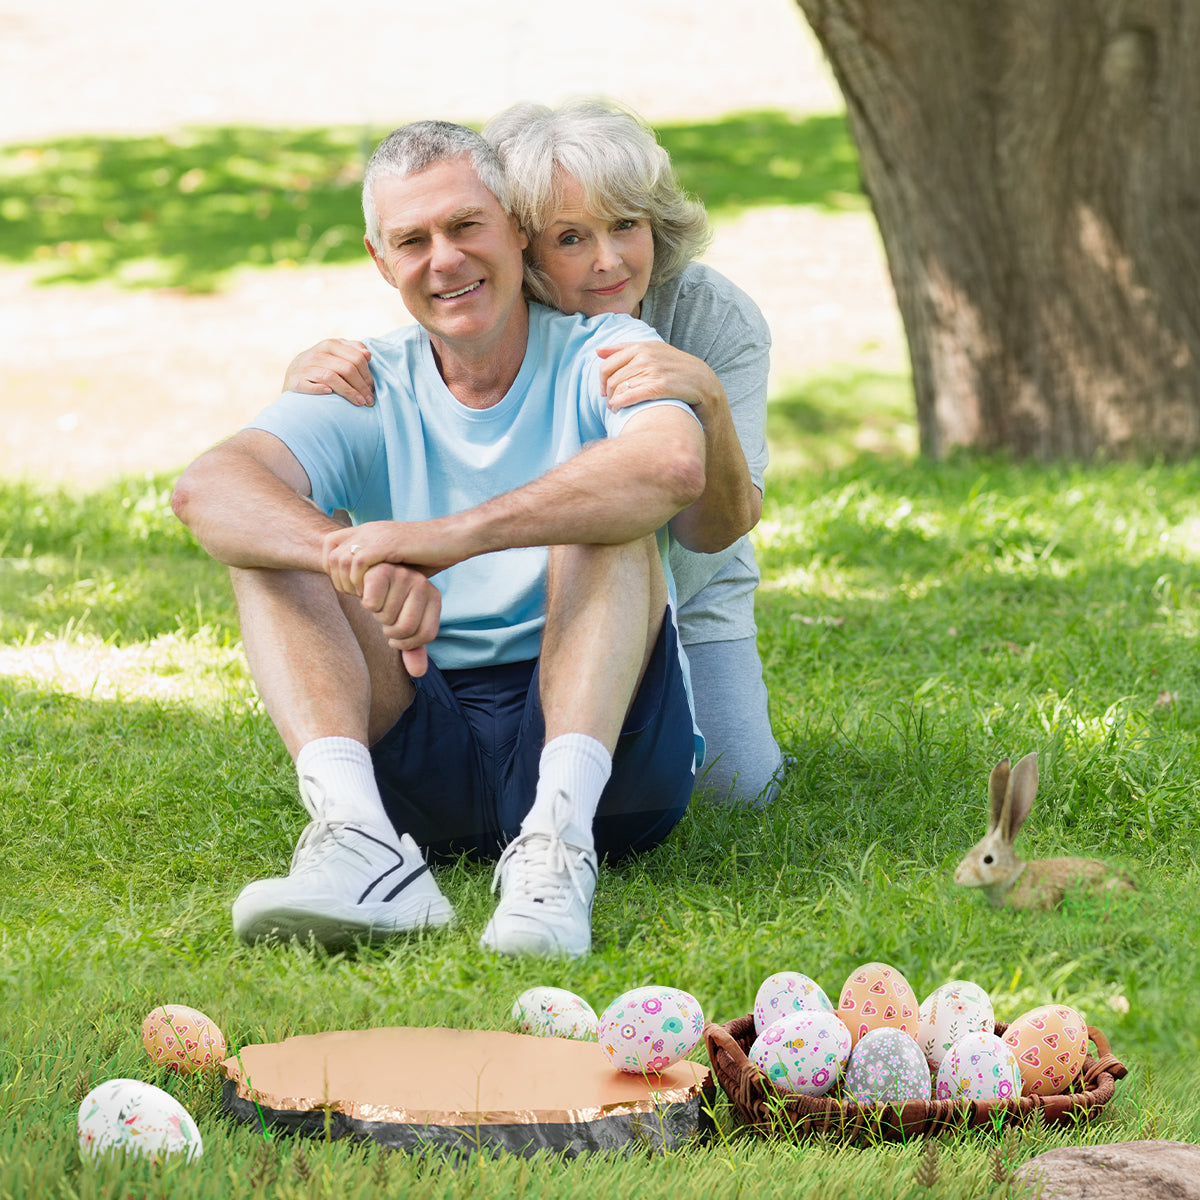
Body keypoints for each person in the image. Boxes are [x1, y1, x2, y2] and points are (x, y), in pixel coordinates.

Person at [171, 119, 729, 960]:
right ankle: (359, 841)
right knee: (273, 549)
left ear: (515, 229)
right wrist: (352, 555)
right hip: (420, 739)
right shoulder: (364, 380)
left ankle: (556, 846)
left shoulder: (606, 345)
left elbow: (672, 466)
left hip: (607, 756)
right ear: (380, 259)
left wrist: (448, 539)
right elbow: (207, 487)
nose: (445, 259)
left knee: (603, 511)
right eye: (413, 240)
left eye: (466, 226)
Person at [285, 100, 784, 804]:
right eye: (571, 237)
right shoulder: (495, 314)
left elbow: (719, 529)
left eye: (626, 226)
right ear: (520, 241)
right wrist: (310, 390)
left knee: (739, 788)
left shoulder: (710, 317)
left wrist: (709, 401)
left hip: (691, 579)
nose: (608, 261)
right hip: (517, 603)